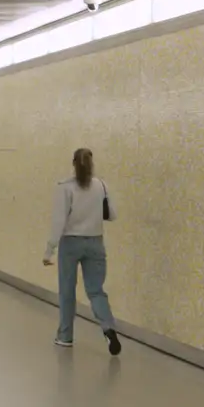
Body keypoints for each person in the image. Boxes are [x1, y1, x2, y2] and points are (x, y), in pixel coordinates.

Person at [43, 148, 121, 356]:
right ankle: (108, 329)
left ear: (73, 163)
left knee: (67, 291)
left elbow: (59, 221)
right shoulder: (101, 185)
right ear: (91, 164)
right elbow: (112, 215)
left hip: (70, 243)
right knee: (96, 290)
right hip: (96, 242)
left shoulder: (65, 187)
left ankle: (65, 336)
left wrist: (49, 250)